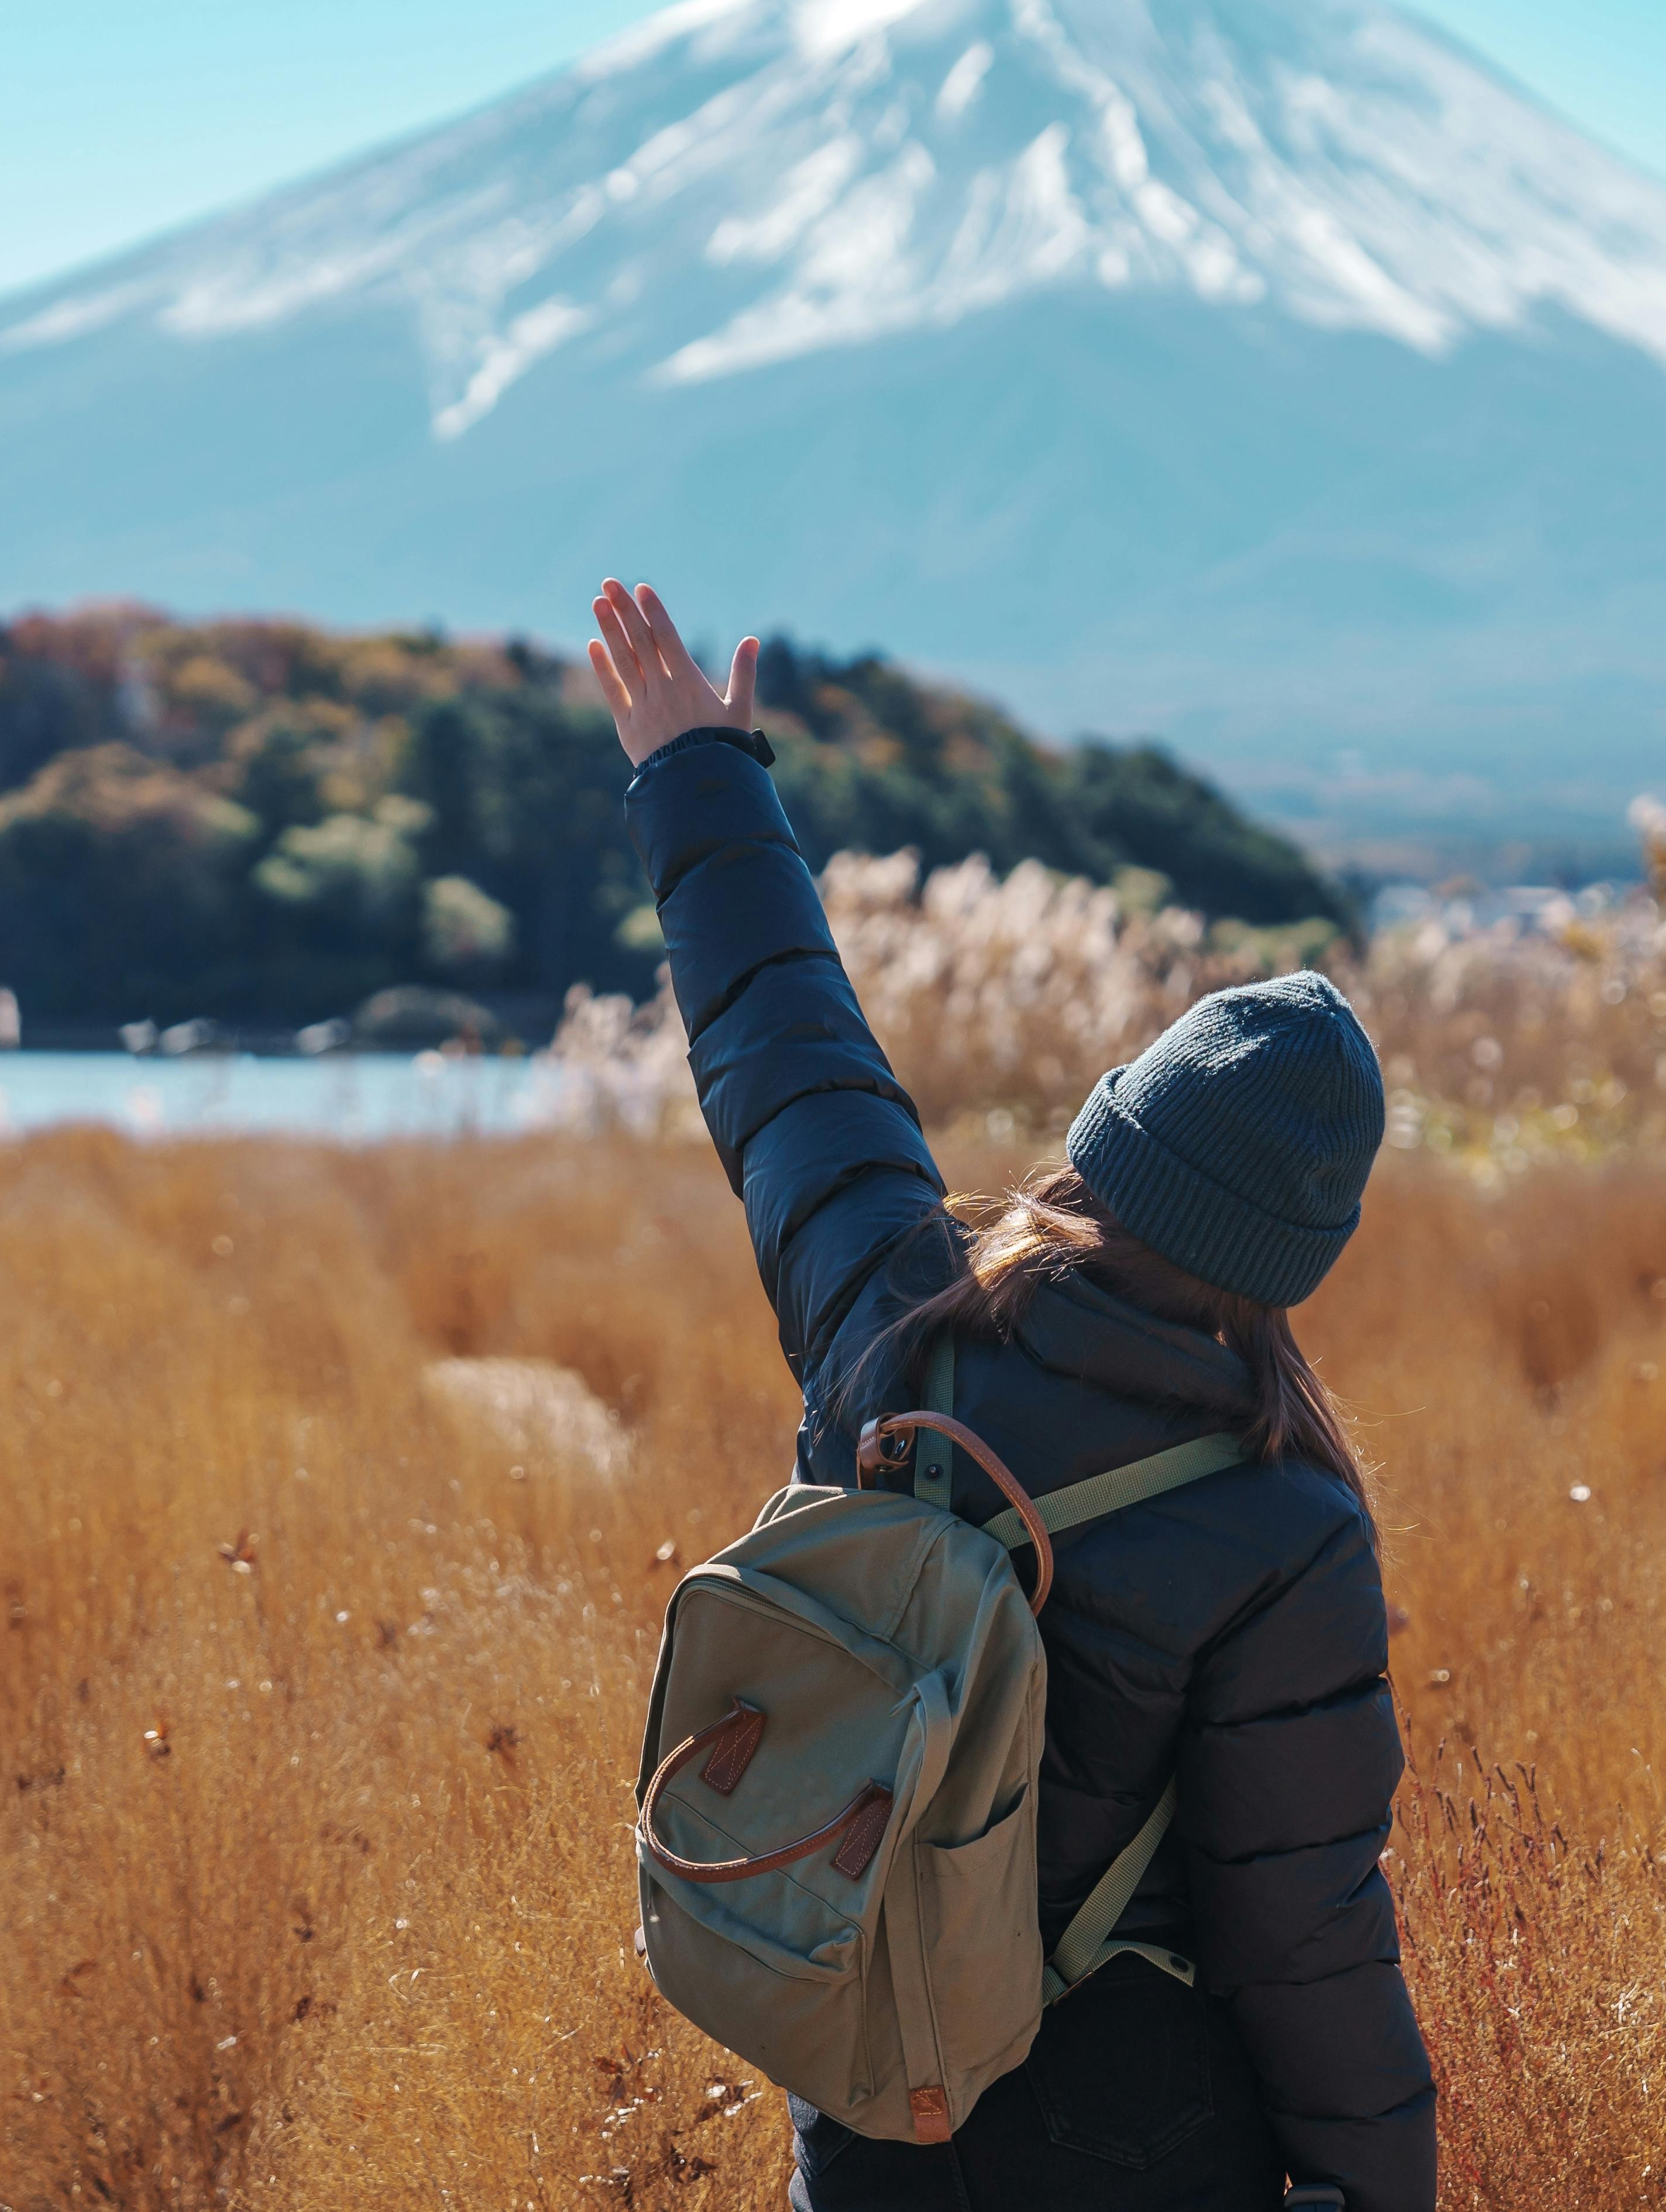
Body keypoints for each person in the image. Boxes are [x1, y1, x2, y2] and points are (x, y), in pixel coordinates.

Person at [588, 580, 1435, 2212]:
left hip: (869, 2085)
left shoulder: (894, 1317)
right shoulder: (1285, 1522)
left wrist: (700, 779)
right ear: (1292, 1256)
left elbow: (790, 1060)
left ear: (1109, 1143)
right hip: (1136, 2135)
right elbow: (1304, 1936)